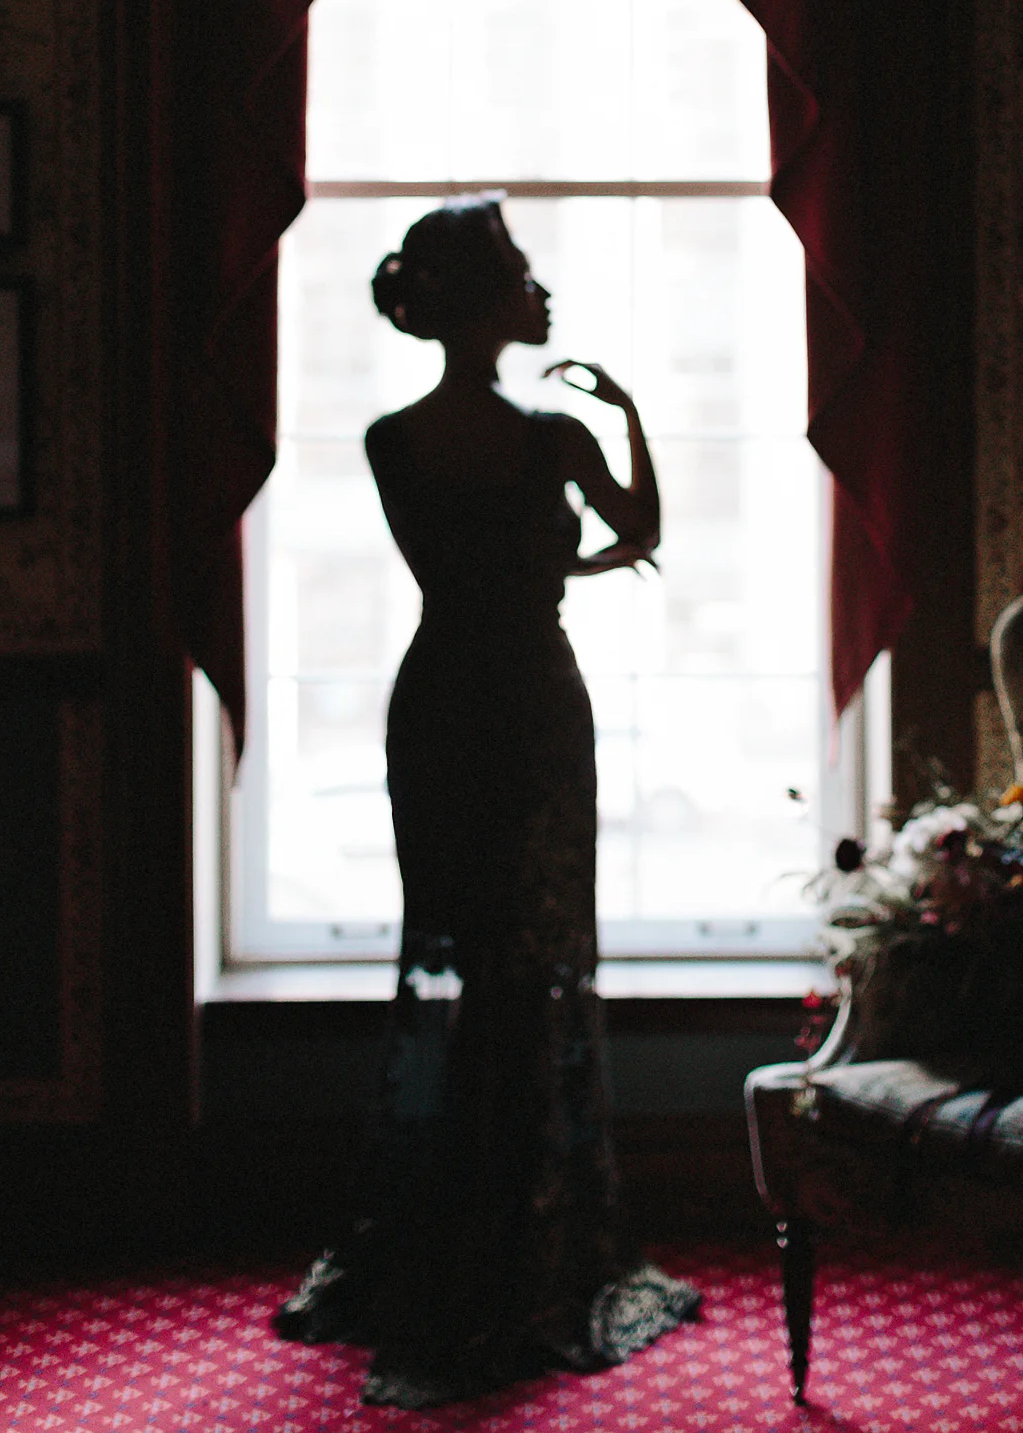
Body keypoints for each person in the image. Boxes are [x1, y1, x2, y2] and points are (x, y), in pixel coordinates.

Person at [273, 196, 699, 1407]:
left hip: (440, 700)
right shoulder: (555, 435)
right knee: (536, 956)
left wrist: (562, 539)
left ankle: (442, 1221)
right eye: (522, 275)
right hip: (528, 701)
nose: (542, 291)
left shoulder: (388, 440)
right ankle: (527, 1228)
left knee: (458, 951)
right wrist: (624, 419)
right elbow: (641, 533)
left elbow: (470, 566)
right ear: (485, 306)